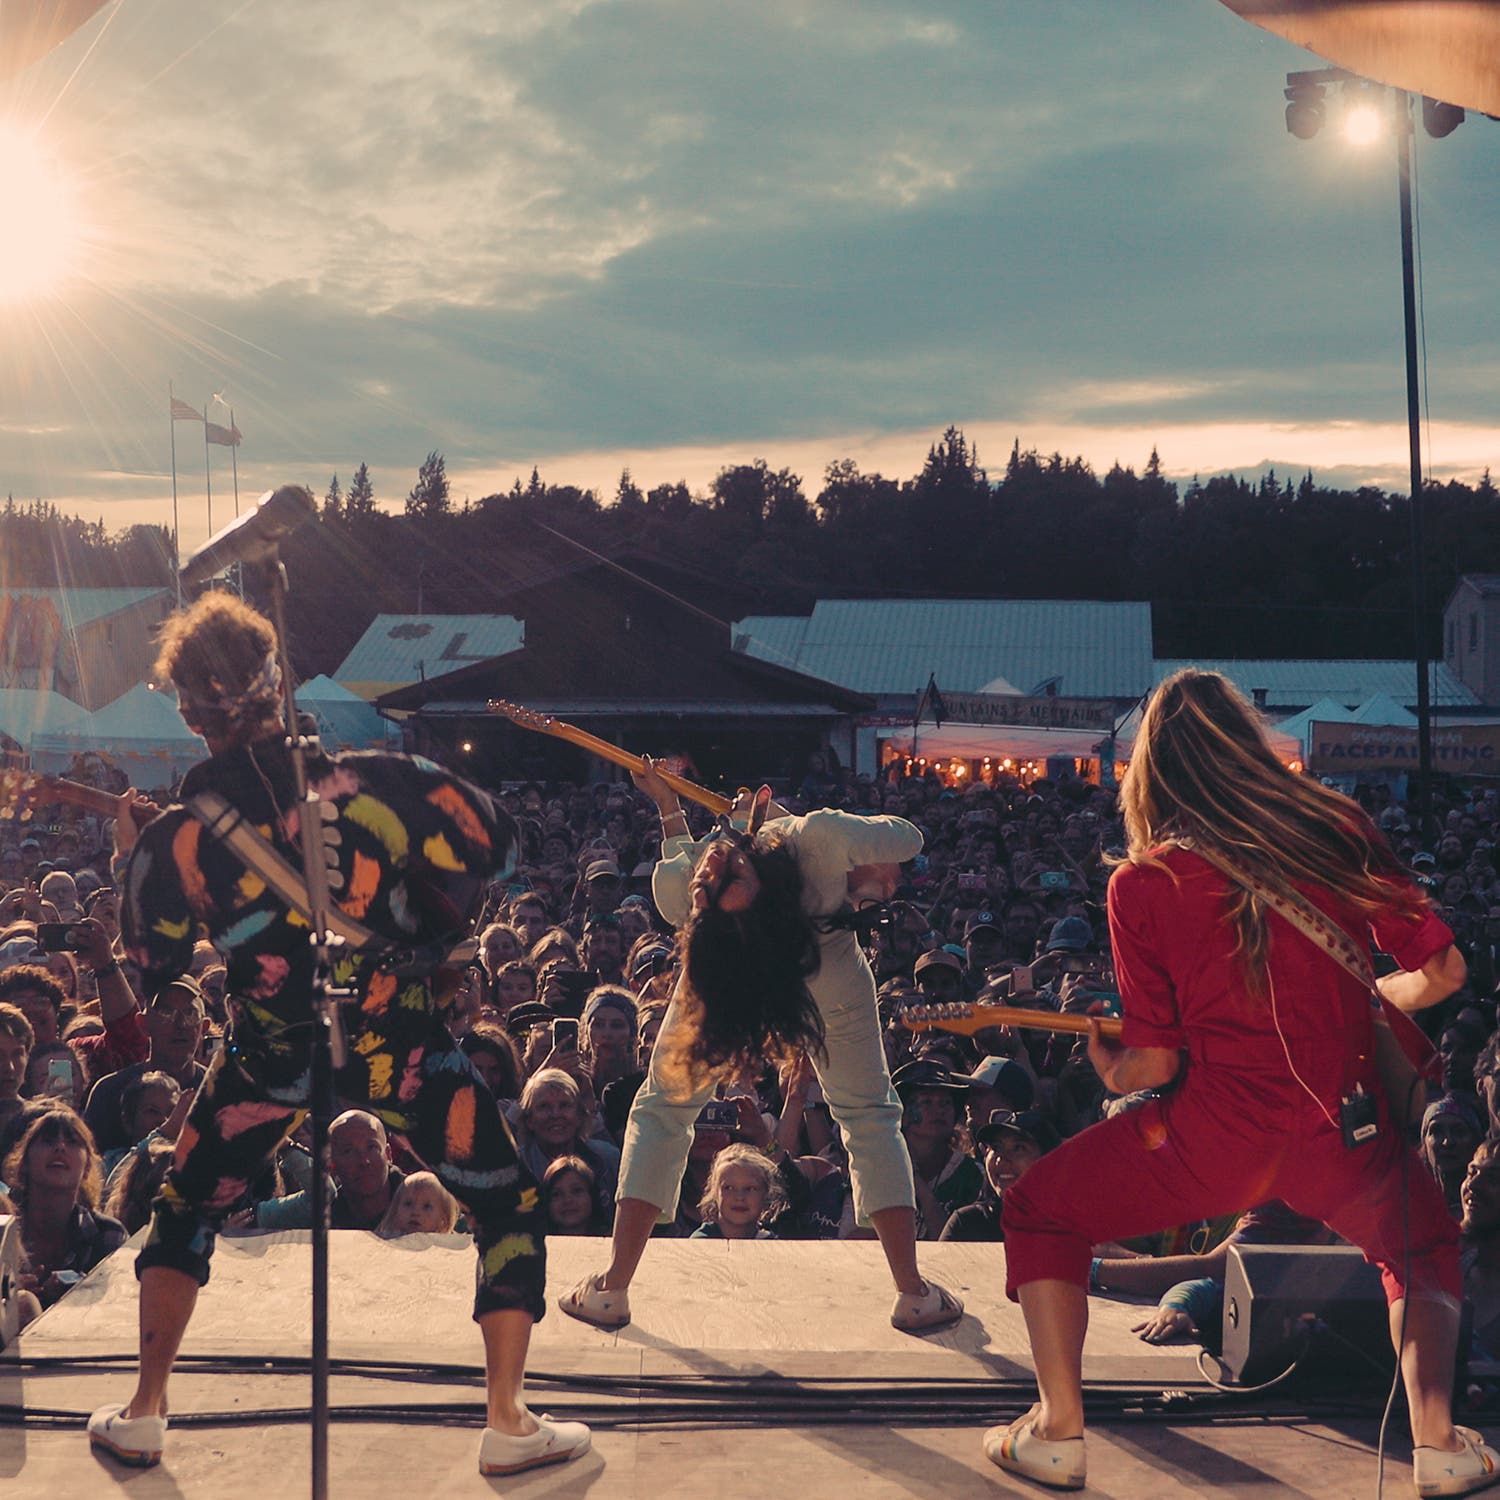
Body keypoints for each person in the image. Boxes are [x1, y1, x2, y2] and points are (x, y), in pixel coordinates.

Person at [85, 588, 587, 1478]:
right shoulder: (370, 781)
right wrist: (415, 917)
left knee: (183, 1207)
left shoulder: (179, 840)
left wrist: (135, 852)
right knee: (506, 1203)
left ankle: (145, 1412)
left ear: (190, 714)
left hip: (270, 1056)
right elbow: (500, 844)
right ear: (277, 686)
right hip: (398, 1043)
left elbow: (152, 961)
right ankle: (507, 1422)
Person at [992, 668, 1491, 1496]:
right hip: (1343, 1133)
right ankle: (1438, 1446)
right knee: (1423, 1247)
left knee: (1042, 1211)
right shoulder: (1336, 826)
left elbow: (1153, 1064)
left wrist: (1111, 1067)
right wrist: (1370, 998)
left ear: (1156, 767)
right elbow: (1443, 970)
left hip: (1212, 1139)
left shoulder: (1142, 882)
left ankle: (1056, 1433)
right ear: (1250, 745)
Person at [562, 759, 961, 1334]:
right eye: (720, 881)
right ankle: (914, 1293)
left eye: (712, 877)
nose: (714, 867)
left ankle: (611, 1289)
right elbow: (908, 838)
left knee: (662, 1112)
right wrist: (782, 820)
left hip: (752, 974)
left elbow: (680, 891)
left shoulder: (703, 904)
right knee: (869, 1115)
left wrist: (671, 809)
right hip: (822, 974)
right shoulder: (813, 839)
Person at [2, 1105, 126, 1309]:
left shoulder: (108, 1235)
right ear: (23, 1162)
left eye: (72, 1142)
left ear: (87, 1168)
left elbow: (119, 1309)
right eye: (47, 1141)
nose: (60, 1147)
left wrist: (83, 1295)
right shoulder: (2, 1230)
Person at [691, 1142, 782, 1240]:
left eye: (750, 1189)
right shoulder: (700, 1244)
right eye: (728, 1188)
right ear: (715, 1193)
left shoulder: (772, 1246)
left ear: (766, 1194)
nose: (739, 1197)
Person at [379, 1170, 461, 1237]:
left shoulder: (448, 1250)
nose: (415, 1212)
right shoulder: (383, 1243)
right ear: (395, 1209)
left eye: (426, 1206)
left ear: (443, 1217)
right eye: (408, 1203)